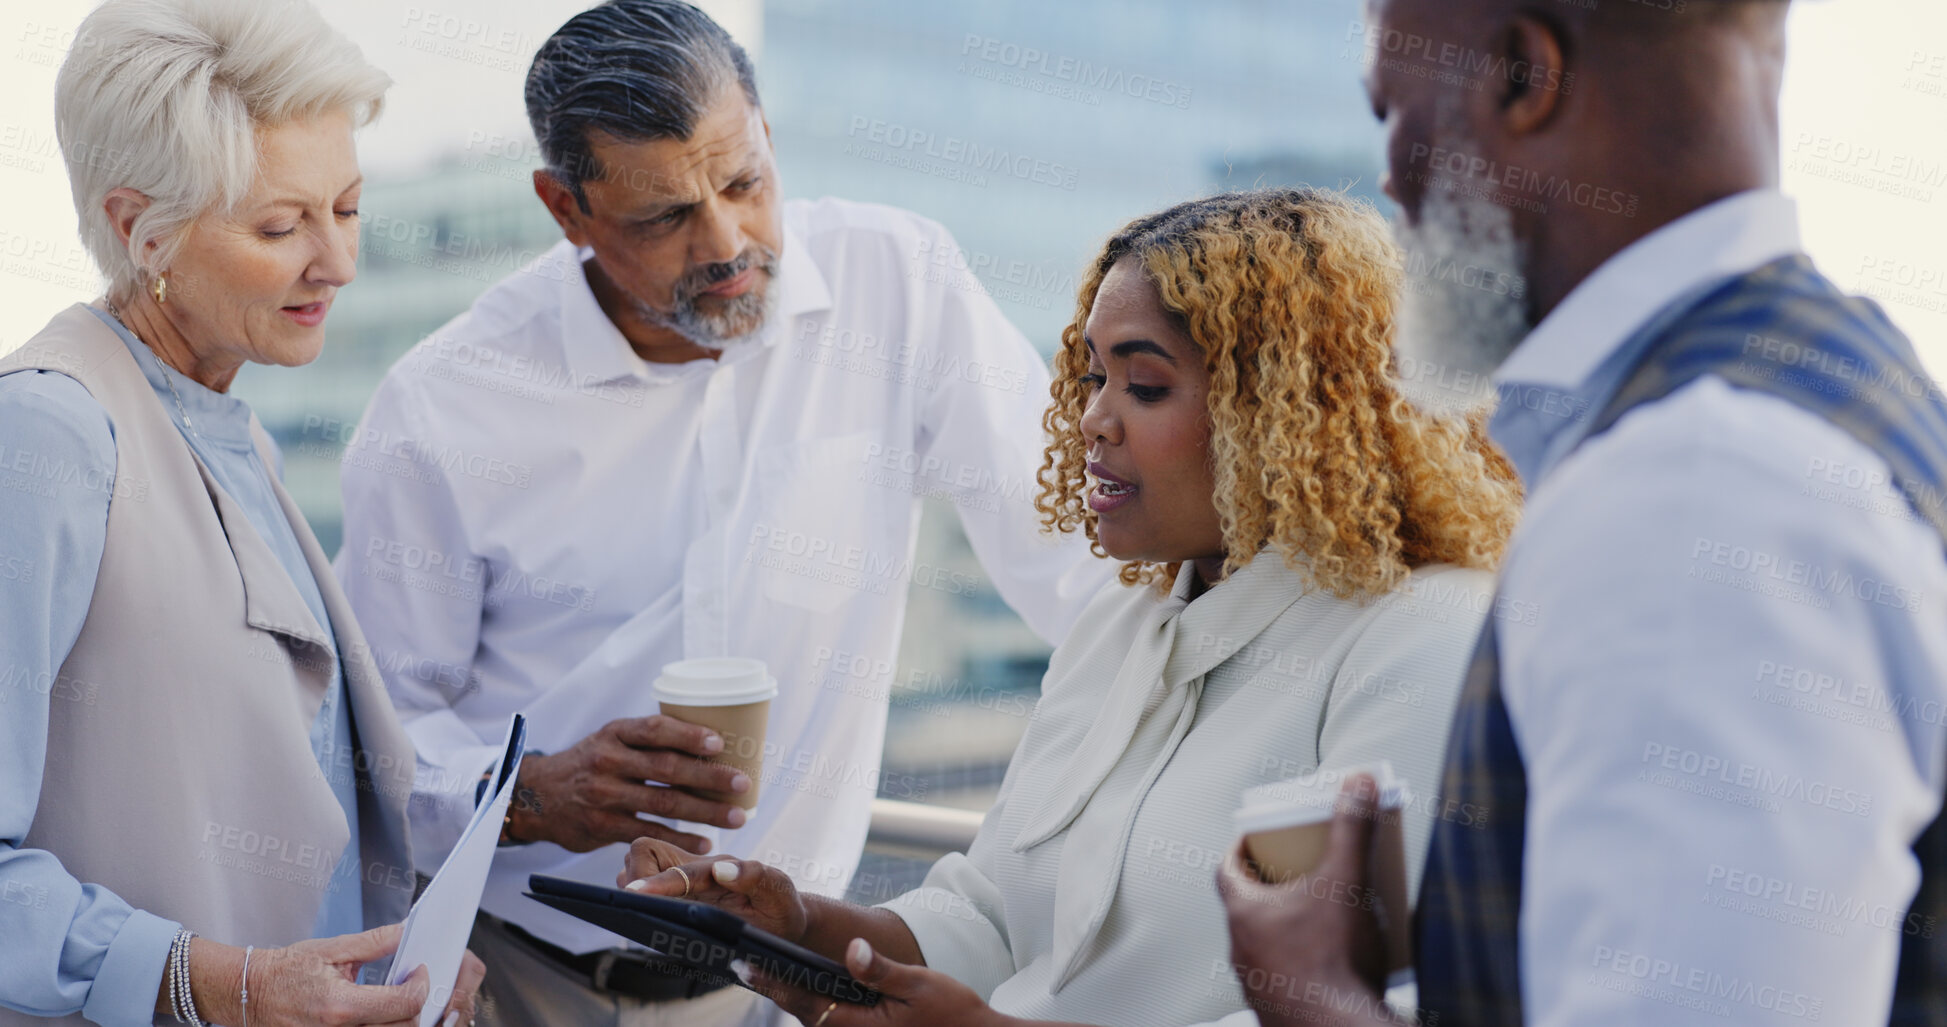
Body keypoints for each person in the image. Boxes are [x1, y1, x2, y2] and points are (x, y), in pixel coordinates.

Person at [332, 1, 1113, 1022]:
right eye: (663, 217)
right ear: (566, 211)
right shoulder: (441, 408)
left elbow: (1084, 564)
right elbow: (365, 744)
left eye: (744, 181)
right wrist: (527, 795)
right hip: (517, 977)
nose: (727, 240)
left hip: (784, 980)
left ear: (768, 139)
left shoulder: (900, 288)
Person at [618, 188, 1523, 1027]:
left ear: (1284, 410)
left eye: (1146, 383)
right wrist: (798, 923)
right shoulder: (1121, 626)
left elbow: (1373, 1005)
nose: (1093, 418)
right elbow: (988, 920)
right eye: (1092, 377)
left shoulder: (1422, 636)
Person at [1219, 2, 1947, 1025]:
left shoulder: (1689, 489)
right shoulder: (1845, 369)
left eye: (1394, 114)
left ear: (1523, 76)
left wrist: (1319, 999)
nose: (1389, 177)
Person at [0, 1, 485, 1025]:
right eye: (281, 226)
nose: (338, 262)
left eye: (347, 208)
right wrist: (224, 986)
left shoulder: (235, 433)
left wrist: (404, 961)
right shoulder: (47, 437)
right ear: (141, 230)